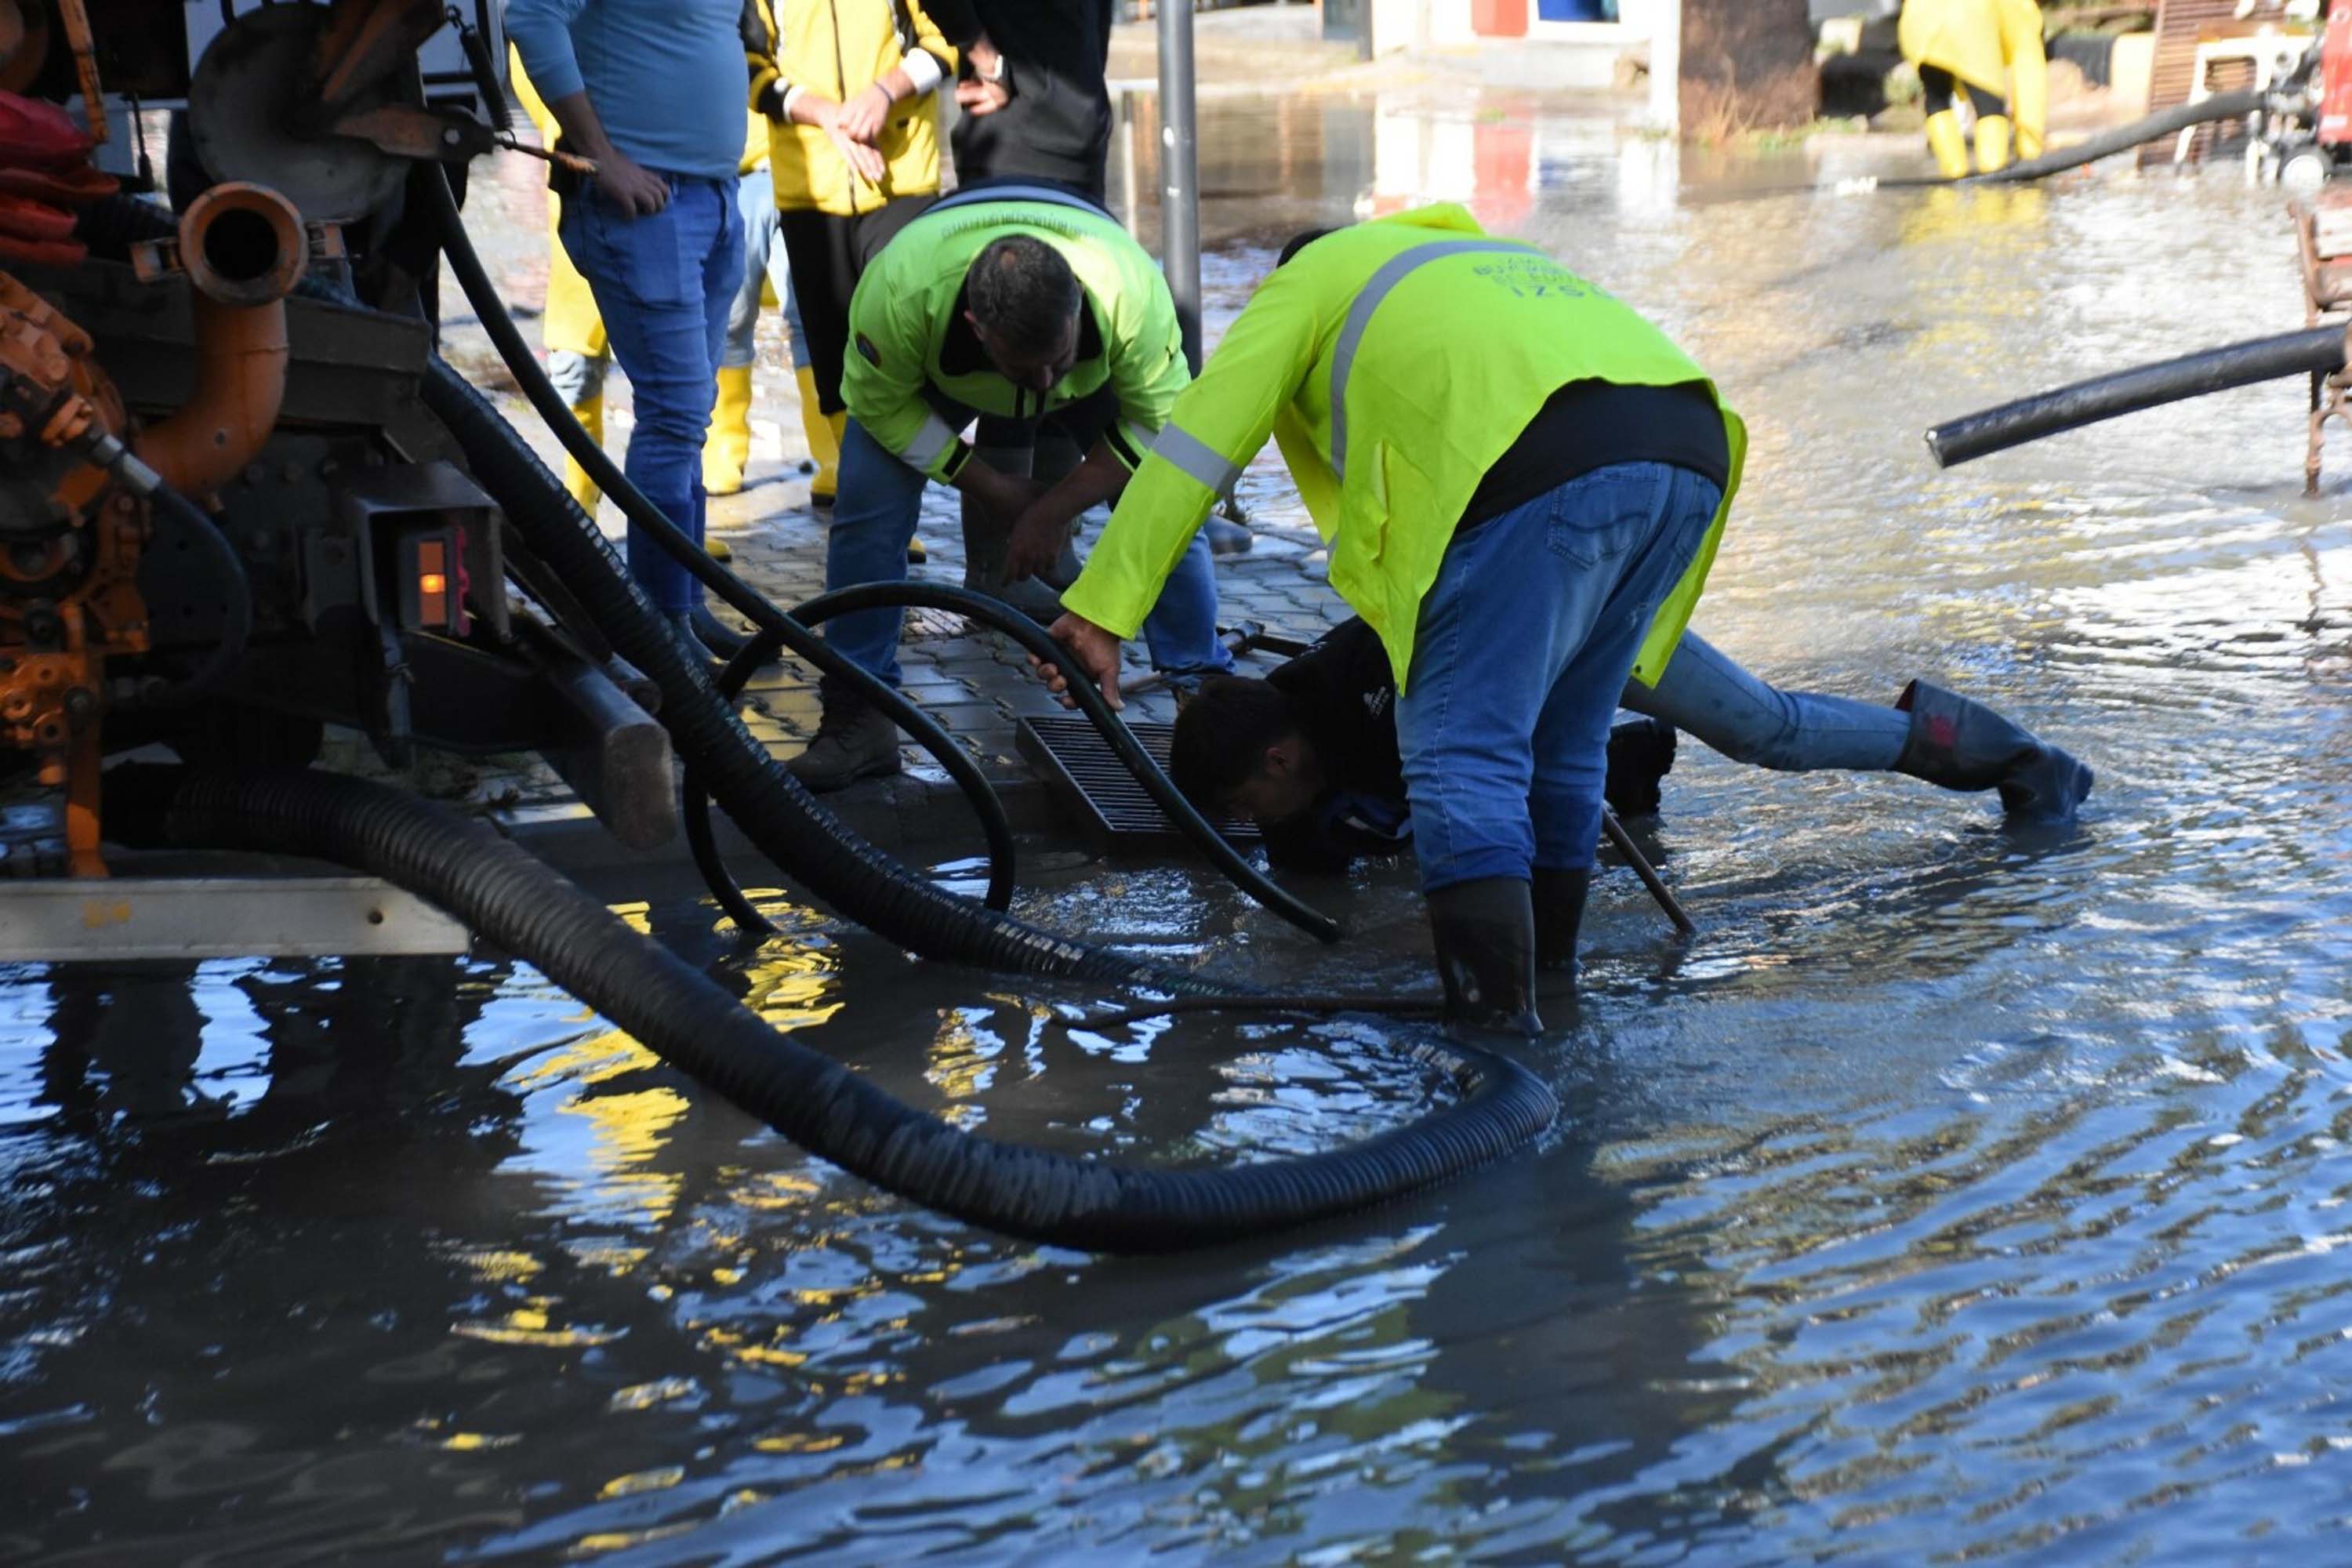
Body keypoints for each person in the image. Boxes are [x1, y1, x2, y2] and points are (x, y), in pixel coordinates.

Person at [1034, 208, 1744, 1036]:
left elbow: (1194, 446)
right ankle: (1554, 996)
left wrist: (1102, 606)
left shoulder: (1309, 287)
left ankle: (1499, 1037)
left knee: (1459, 757)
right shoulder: (1461, 255)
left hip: (1543, 473)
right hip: (1690, 441)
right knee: (1566, 748)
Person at [787, 187, 1232, 791]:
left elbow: (1165, 431)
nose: (1047, 384)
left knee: (1172, 505)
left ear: (1077, 303)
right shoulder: (900, 292)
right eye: (1028, 371)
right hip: (935, 354)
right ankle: (860, 714)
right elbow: (882, 408)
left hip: (1095, 372)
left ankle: (1205, 701)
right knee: (867, 511)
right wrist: (994, 489)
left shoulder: (1129, 292)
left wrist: (1052, 509)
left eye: (1060, 359)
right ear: (976, 328)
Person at [1170, 616, 2093, 875]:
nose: (1257, 827)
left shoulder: (1370, 682)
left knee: (1764, 727)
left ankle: (2018, 760)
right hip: (1522, 686)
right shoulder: (1286, 779)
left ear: (1281, 760)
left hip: (1578, 620)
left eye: (1249, 808)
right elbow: (1305, 881)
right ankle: (1631, 762)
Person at [507, 0, 748, 662]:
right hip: (643, 200)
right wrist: (600, 155)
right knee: (673, 417)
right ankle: (658, 627)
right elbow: (530, 18)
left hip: (714, 196)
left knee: (687, 416)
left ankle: (684, 606)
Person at [745, 0, 953, 514]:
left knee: (903, 353)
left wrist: (885, 93)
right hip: (810, 189)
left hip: (901, 177)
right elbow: (751, 70)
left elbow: (945, 40)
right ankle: (867, 502)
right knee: (835, 359)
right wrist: (827, 115)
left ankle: (896, 505)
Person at [1900, 0, 2047, 178]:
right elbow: (2029, 81)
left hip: (1917, 19)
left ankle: (1953, 172)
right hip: (1968, 20)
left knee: (1937, 97)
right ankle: (1993, 171)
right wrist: (2030, 153)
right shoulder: (2027, 12)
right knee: (1989, 105)